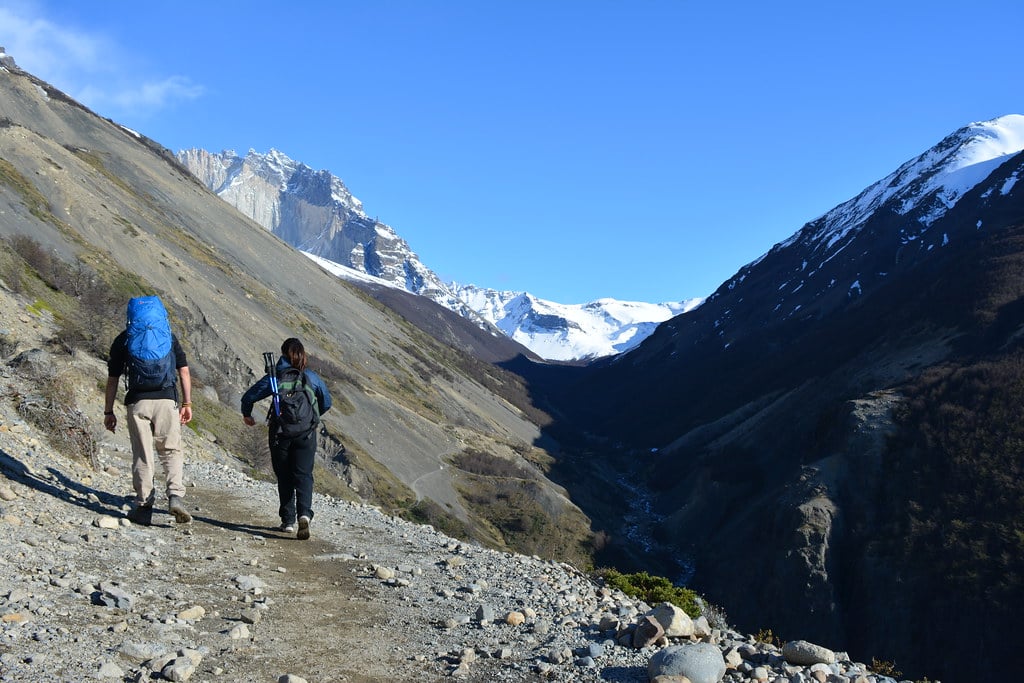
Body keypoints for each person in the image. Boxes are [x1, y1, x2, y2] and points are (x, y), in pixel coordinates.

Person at [103, 300, 194, 526]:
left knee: (143, 454)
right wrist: (187, 403)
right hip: (166, 400)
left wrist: (109, 411)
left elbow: (112, 379)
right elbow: (183, 371)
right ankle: (175, 496)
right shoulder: (168, 337)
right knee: (171, 450)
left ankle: (143, 507)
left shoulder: (124, 339)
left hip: (138, 402)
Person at [241, 337, 332, 540]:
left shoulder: (274, 378)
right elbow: (327, 401)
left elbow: (248, 397)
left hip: (280, 433)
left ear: (283, 354)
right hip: (306, 434)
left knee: (284, 476)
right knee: (304, 475)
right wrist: (311, 417)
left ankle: (288, 521)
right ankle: (305, 515)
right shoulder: (310, 377)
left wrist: (247, 414)